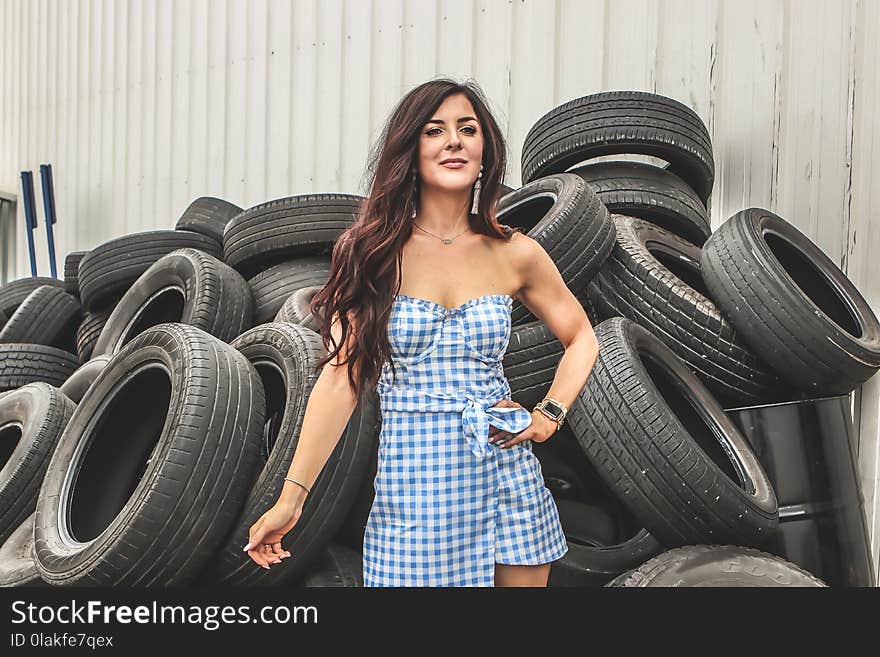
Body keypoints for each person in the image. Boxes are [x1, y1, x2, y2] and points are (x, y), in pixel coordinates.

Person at [242, 78, 599, 587]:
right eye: (435, 131)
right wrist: (291, 497)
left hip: (504, 471)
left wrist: (548, 416)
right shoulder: (372, 253)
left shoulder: (513, 251)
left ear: (485, 149)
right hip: (416, 485)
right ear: (410, 151)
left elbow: (581, 338)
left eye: (467, 129)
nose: (453, 141)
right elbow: (341, 378)